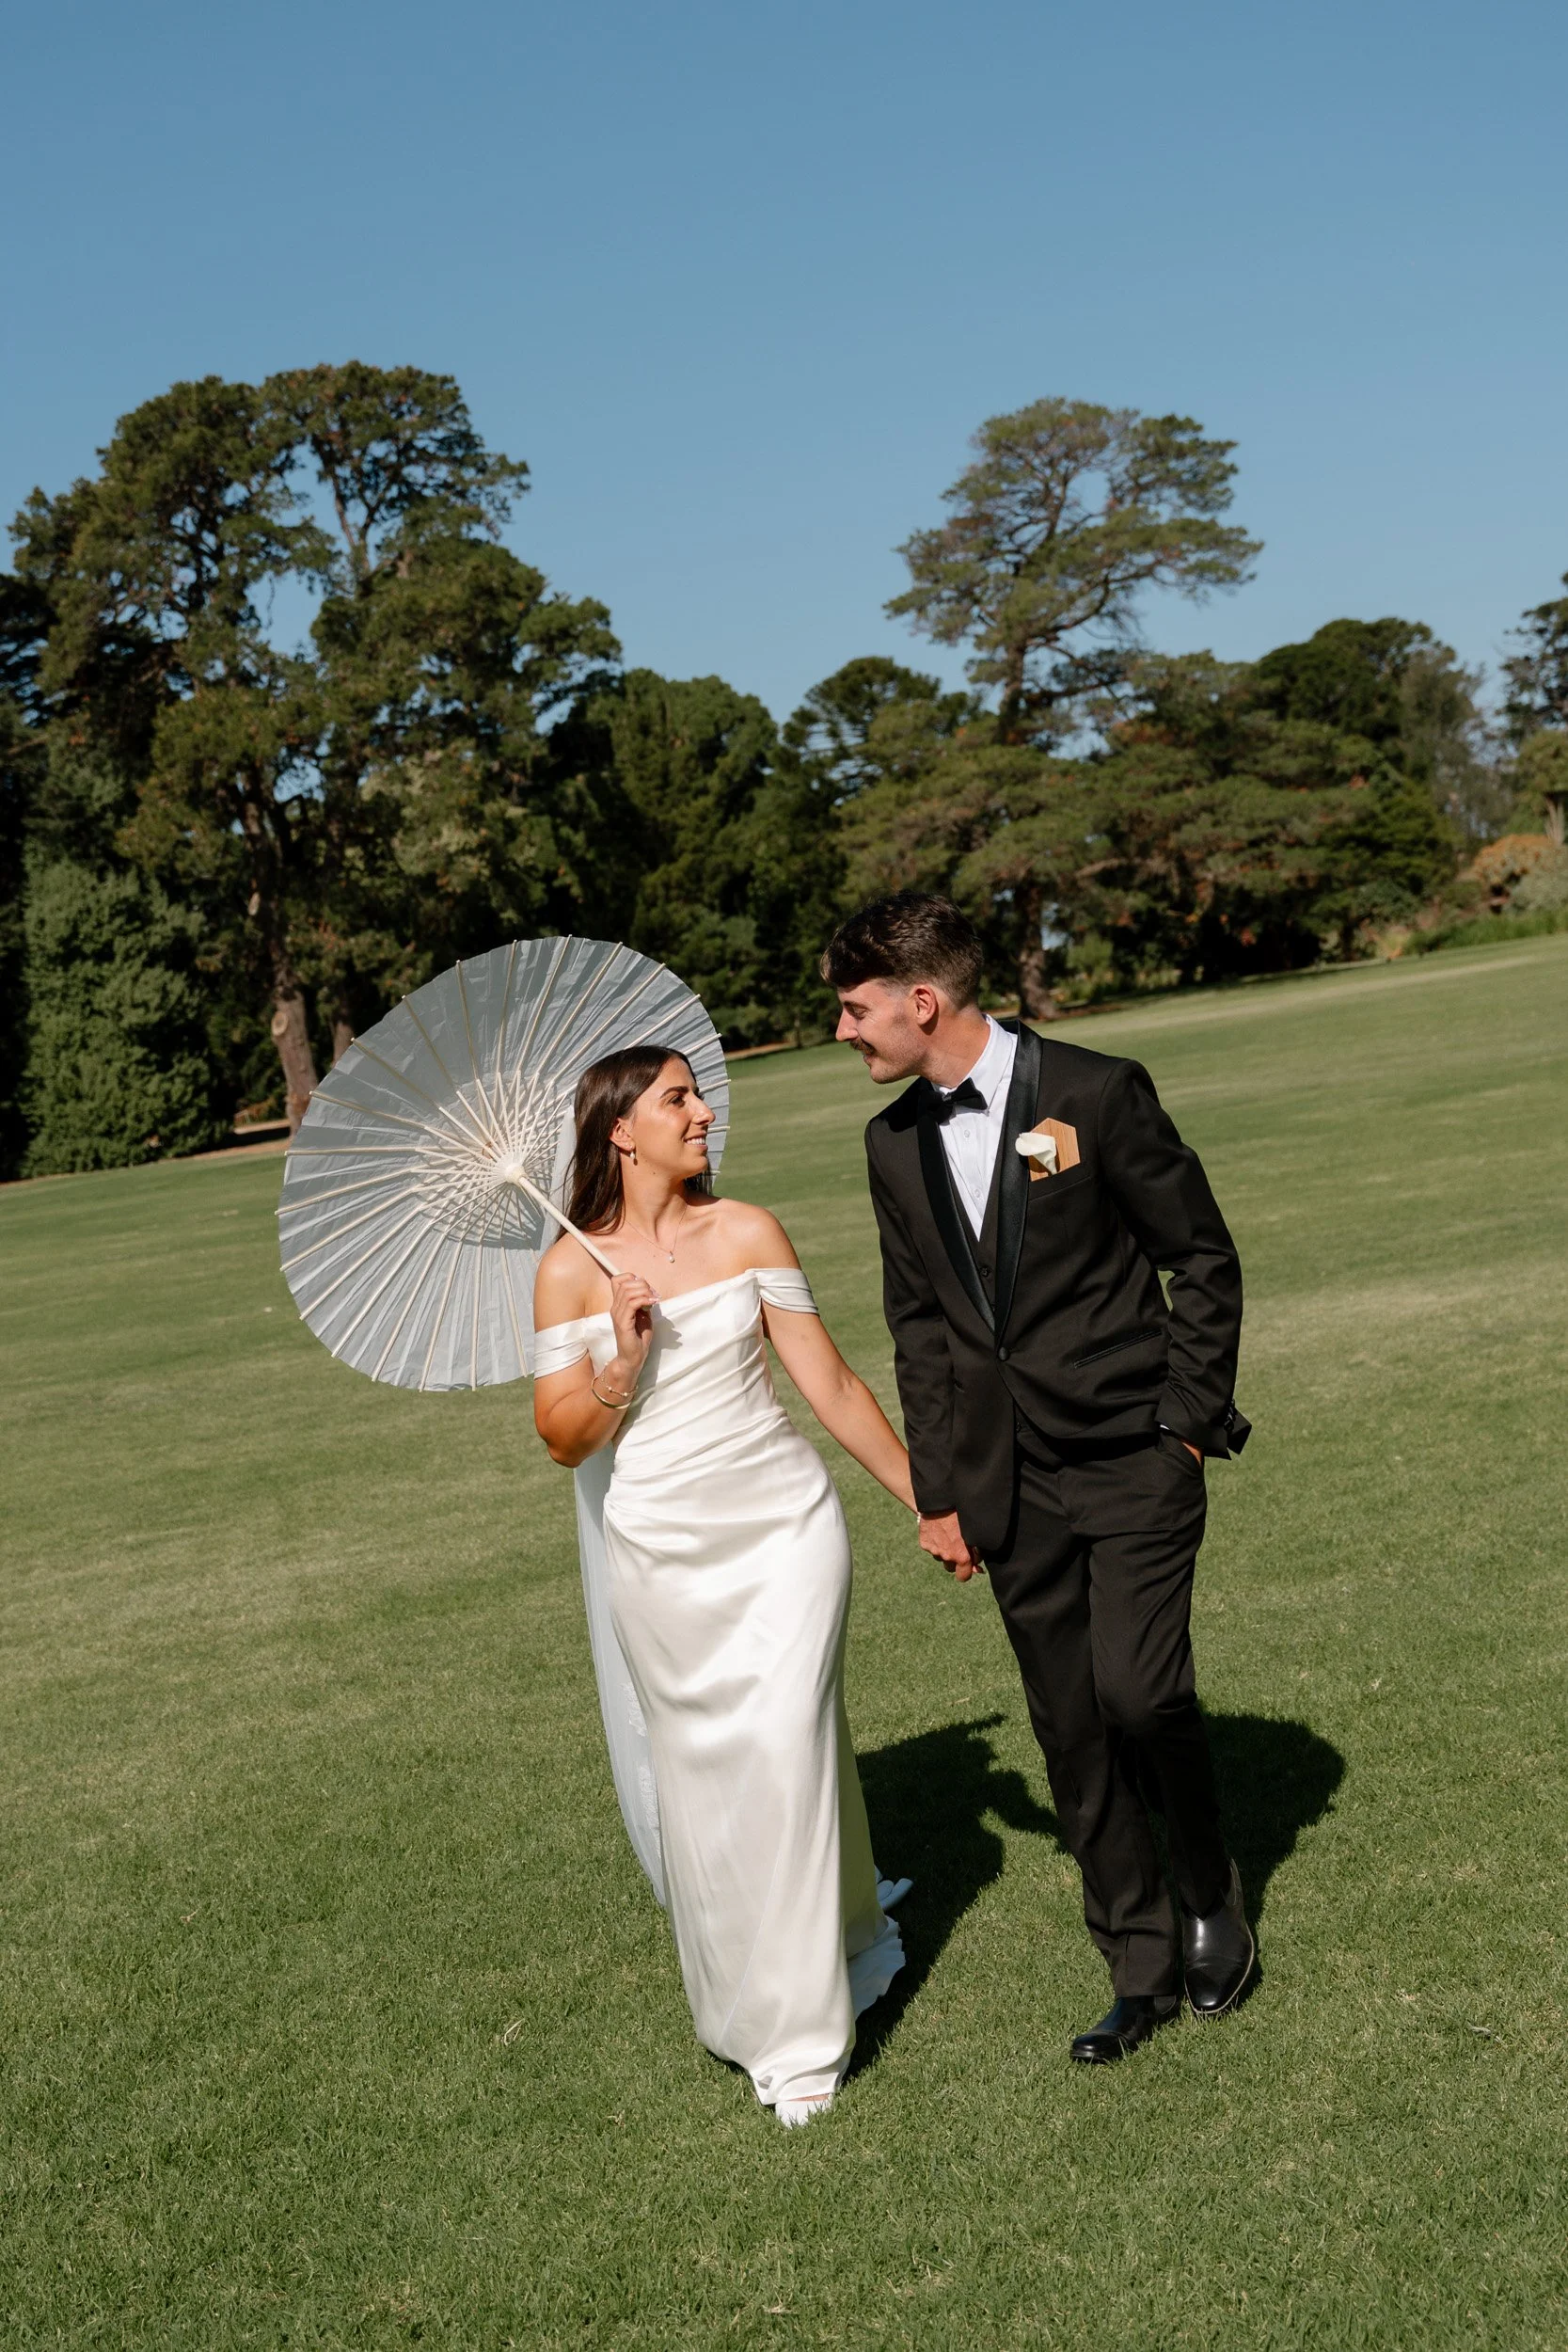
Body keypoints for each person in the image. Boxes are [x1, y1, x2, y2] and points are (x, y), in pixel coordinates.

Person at [825, 891, 1256, 2065]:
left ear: (924, 1001)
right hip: (1004, 1484)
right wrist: (938, 1492)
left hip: (1131, 1452)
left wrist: (1182, 1422)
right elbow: (918, 1328)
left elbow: (1199, 1258)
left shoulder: (1096, 1091)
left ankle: (1211, 1889)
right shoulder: (888, 1143)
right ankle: (1138, 1959)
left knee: (1138, 1694)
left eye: (855, 1009)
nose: (843, 1031)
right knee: (1067, 1725)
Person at [531, 1042, 914, 2125]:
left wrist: (922, 1501)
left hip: (784, 1527)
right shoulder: (569, 1268)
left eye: (695, 1094)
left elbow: (829, 1381)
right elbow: (562, 1440)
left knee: (786, 1739)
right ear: (621, 1129)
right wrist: (618, 1361)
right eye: (677, 1099)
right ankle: (838, 1939)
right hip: (660, 1548)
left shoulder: (746, 1230)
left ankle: (797, 2042)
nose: (702, 1112)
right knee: (714, 1772)